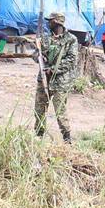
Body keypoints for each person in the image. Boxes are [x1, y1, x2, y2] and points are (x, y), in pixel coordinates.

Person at [34, 11, 77, 142]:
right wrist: (39, 57)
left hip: (60, 82)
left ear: (57, 22)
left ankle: (67, 138)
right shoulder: (45, 38)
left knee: (60, 111)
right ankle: (39, 135)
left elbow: (72, 60)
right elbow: (36, 54)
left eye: (51, 21)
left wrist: (53, 70)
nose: (48, 23)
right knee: (39, 108)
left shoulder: (70, 39)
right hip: (44, 80)